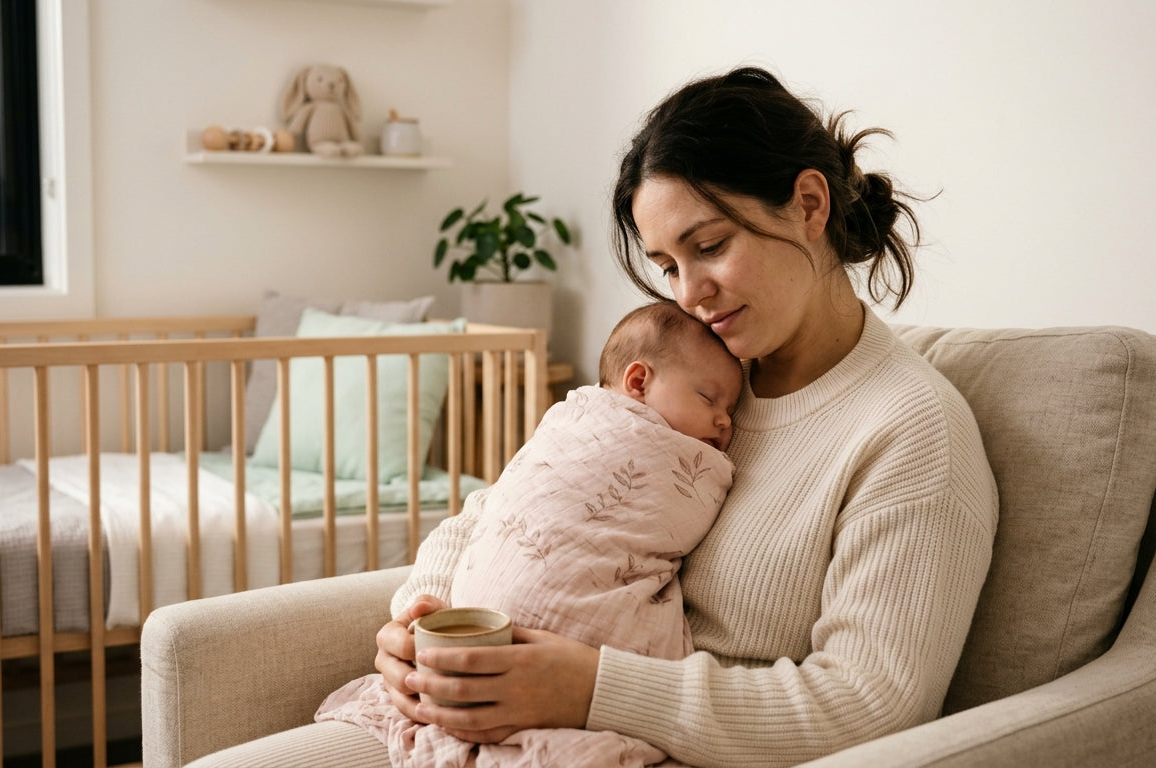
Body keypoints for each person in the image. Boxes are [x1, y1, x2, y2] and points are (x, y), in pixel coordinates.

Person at [188, 64, 998, 768]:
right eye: (668, 265)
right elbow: (507, 504)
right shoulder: (700, 380)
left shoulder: (909, 431)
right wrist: (420, 617)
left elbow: (867, 705)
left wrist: (590, 687)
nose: (688, 293)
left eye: (709, 245)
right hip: (504, 721)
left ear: (810, 204)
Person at [311, 300, 741, 767]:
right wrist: (422, 611)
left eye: (731, 409)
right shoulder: (573, 424)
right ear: (638, 382)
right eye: (708, 399)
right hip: (460, 642)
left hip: (591, 673)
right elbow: (500, 504)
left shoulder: (692, 449)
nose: (725, 422)